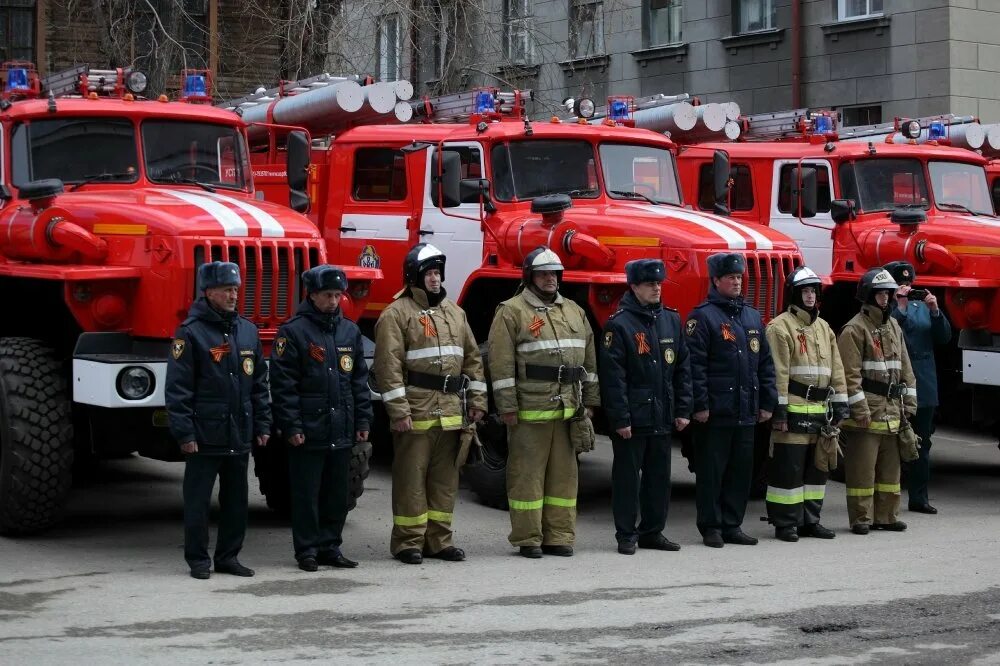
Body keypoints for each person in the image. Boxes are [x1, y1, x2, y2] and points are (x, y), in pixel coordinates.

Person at [373, 244, 486, 565]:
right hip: (417, 412)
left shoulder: (456, 313)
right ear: (414, 277)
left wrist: (477, 401)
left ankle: (439, 540)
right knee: (411, 480)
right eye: (429, 274)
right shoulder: (396, 315)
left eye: (438, 273)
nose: (435, 280)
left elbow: (473, 361)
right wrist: (398, 412)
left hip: (452, 415)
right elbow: (388, 366)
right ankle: (408, 542)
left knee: (444, 482)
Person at [488, 247, 600, 558]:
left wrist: (589, 401)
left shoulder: (574, 311)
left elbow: (589, 360)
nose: (550, 279)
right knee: (527, 476)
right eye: (543, 273)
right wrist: (507, 406)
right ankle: (529, 539)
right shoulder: (511, 311)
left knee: (564, 479)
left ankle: (560, 537)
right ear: (530, 277)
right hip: (530, 409)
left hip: (569, 409)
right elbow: (501, 364)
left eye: (554, 273)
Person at [165, 261, 270, 579]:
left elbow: (259, 384)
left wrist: (263, 424)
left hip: (238, 433)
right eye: (227, 289)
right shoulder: (190, 333)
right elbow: (178, 388)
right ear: (208, 292)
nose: (233, 295)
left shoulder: (248, 331)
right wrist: (185, 433)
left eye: (235, 289)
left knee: (237, 501)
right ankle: (198, 559)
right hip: (205, 434)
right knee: (197, 502)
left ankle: (228, 557)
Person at [269, 265, 372, 572]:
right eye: (327, 295)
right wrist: (292, 426)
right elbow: (283, 385)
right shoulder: (293, 332)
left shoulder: (349, 331)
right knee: (306, 494)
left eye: (338, 295)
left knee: (336, 494)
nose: (333, 301)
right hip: (308, 430)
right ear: (312, 295)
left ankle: (331, 546)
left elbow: (358, 382)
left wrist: (363, 422)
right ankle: (307, 550)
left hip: (340, 428)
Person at [600, 259, 692, 555]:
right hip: (634, 419)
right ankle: (626, 534)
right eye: (649, 284)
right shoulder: (619, 325)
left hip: (662, 414)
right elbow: (614, 379)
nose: (656, 288)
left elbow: (682, 369)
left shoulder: (671, 320)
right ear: (634, 286)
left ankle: (653, 531)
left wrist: (682, 410)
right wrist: (621, 418)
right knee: (627, 479)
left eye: (658, 283)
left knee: (658, 479)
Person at [686, 252, 776, 548]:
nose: (737, 282)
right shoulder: (703, 317)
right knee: (712, 473)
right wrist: (700, 405)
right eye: (730, 278)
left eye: (739, 277)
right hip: (716, 413)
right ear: (716, 280)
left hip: (745, 411)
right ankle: (711, 526)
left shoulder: (751, 316)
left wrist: (767, 402)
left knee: (740, 471)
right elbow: (694, 367)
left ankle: (732, 524)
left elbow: (764, 363)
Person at [764, 267, 849, 542]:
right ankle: (785, 524)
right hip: (793, 413)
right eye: (805, 291)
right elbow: (778, 373)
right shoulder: (780, 327)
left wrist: (840, 405)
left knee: (817, 472)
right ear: (794, 294)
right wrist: (779, 411)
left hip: (821, 416)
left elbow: (837, 370)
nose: (810, 296)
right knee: (788, 474)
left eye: (813, 290)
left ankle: (810, 521)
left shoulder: (825, 328)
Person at [838, 267, 918, 534]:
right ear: (868, 296)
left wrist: (909, 403)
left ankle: (886, 516)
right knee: (862, 470)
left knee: (890, 471)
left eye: (887, 294)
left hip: (893, 411)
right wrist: (859, 409)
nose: (884, 299)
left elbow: (905, 368)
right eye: (879, 294)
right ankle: (862, 518)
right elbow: (849, 374)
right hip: (868, 413)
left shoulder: (894, 325)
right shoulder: (854, 329)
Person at [884, 260, 951, 515]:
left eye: (909, 283)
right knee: (889, 443)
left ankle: (919, 497)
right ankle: (887, 499)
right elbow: (886, 332)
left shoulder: (922, 306)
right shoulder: (885, 307)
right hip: (896, 381)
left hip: (924, 383)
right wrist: (898, 307)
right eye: (900, 284)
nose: (907, 288)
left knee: (922, 443)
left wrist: (934, 310)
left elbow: (943, 337)